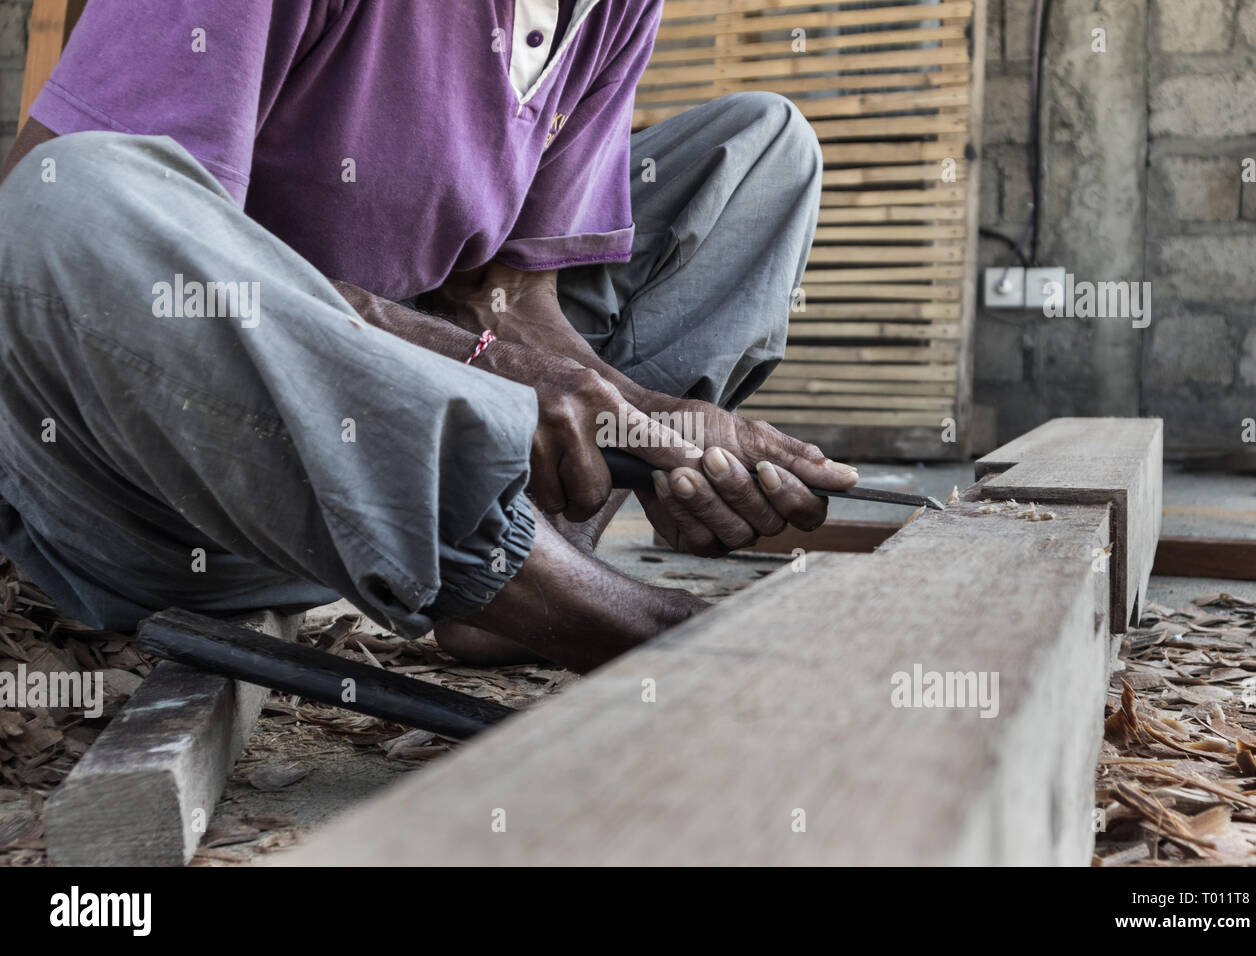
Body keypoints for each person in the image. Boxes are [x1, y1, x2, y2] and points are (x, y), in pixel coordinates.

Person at [0, 0, 857, 673]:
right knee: (67, 193)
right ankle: (602, 615)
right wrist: (468, 359)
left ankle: (547, 561)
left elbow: (514, 302)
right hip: (199, 487)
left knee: (762, 150)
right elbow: (57, 235)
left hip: (403, 482)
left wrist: (648, 420)